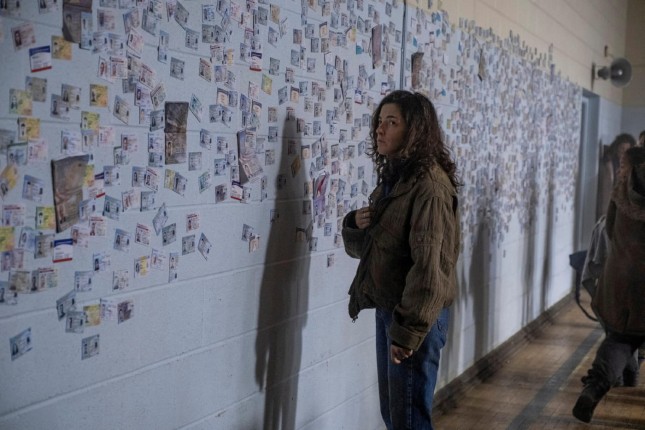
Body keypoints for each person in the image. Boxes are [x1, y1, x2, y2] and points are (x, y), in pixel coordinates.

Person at [342, 90, 461, 430]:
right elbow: (371, 251)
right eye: (380, 121)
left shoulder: (429, 187)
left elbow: (430, 270)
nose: (380, 129)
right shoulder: (397, 179)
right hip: (393, 310)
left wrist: (408, 331)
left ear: (414, 130)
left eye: (391, 122)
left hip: (415, 315)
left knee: (408, 421)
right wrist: (354, 224)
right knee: (395, 417)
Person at [573, 146, 645, 423]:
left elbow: (611, 229)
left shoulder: (624, 186)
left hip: (623, 280)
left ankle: (593, 389)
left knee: (619, 341)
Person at [596, 133, 636, 220]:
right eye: (622, 148)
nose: (624, 152)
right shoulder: (610, 161)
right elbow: (608, 185)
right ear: (617, 147)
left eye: (627, 150)